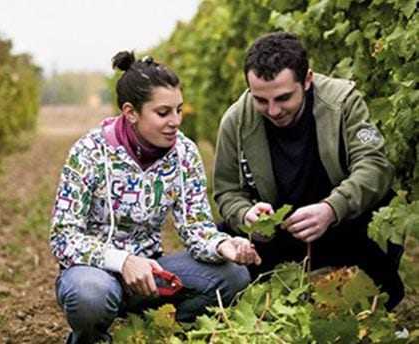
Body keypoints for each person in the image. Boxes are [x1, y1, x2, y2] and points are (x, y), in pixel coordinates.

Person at [50, 51, 261, 344]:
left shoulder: (184, 153)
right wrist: (123, 261)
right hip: (94, 271)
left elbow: (196, 226)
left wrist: (224, 245)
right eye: (163, 113)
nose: (176, 121)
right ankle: (91, 338)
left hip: (152, 275)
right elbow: (63, 237)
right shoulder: (89, 152)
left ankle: (156, 333)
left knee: (234, 276)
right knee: (90, 296)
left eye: (179, 110)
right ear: (130, 112)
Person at [213, 32, 404, 310]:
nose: (273, 110)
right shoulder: (236, 120)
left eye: (283, 98)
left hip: (341, 226)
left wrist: (332, 208)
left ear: (307, 80)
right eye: (261, 100)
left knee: (383, 207)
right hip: (279, 236)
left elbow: (374, 166)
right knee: (227, 238)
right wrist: (246, 215)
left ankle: (375, 295)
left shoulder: (342, 102)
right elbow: (227, 190)